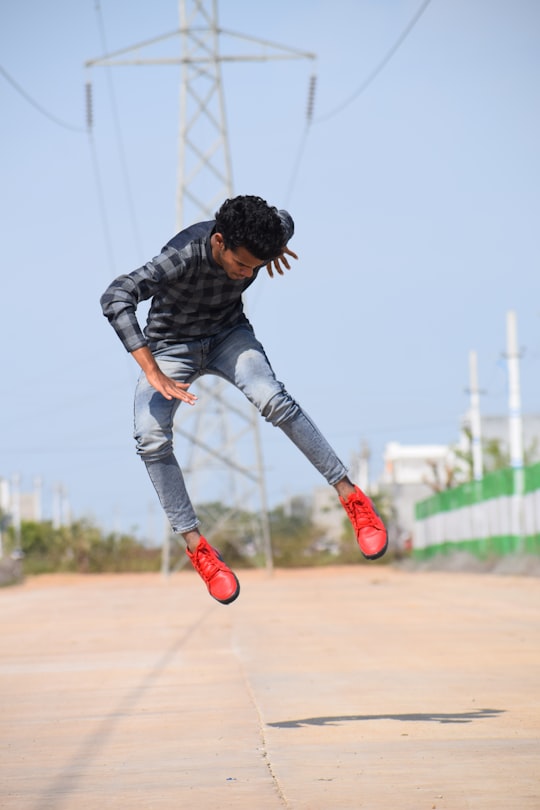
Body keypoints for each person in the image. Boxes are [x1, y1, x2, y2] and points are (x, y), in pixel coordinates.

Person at [100, 195, 387, 604]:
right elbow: (115, 296)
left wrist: (274, 248)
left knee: (273, 399)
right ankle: (199, 548)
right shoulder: (181, 257)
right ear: (219, 242)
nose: (245, 274)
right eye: (241, 264)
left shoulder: (268, 235)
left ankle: (351, 497)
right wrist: (151, 369)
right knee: (150, 437)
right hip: (169, 349)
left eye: (255, 268)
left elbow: (285, 219)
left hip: (228, 336)